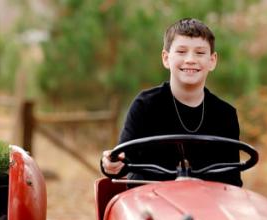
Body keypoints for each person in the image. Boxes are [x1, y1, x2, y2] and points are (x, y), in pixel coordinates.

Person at [102, 18, 242, 187]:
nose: (190, 59)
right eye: (182, 52)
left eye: (199, 53)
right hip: (150, 203)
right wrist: (112, 163)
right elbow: (123, 160)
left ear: (212, 61)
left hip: (205, 205)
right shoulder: (145, 106)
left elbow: (232, 182)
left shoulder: (225, 115)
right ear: (166, 58)